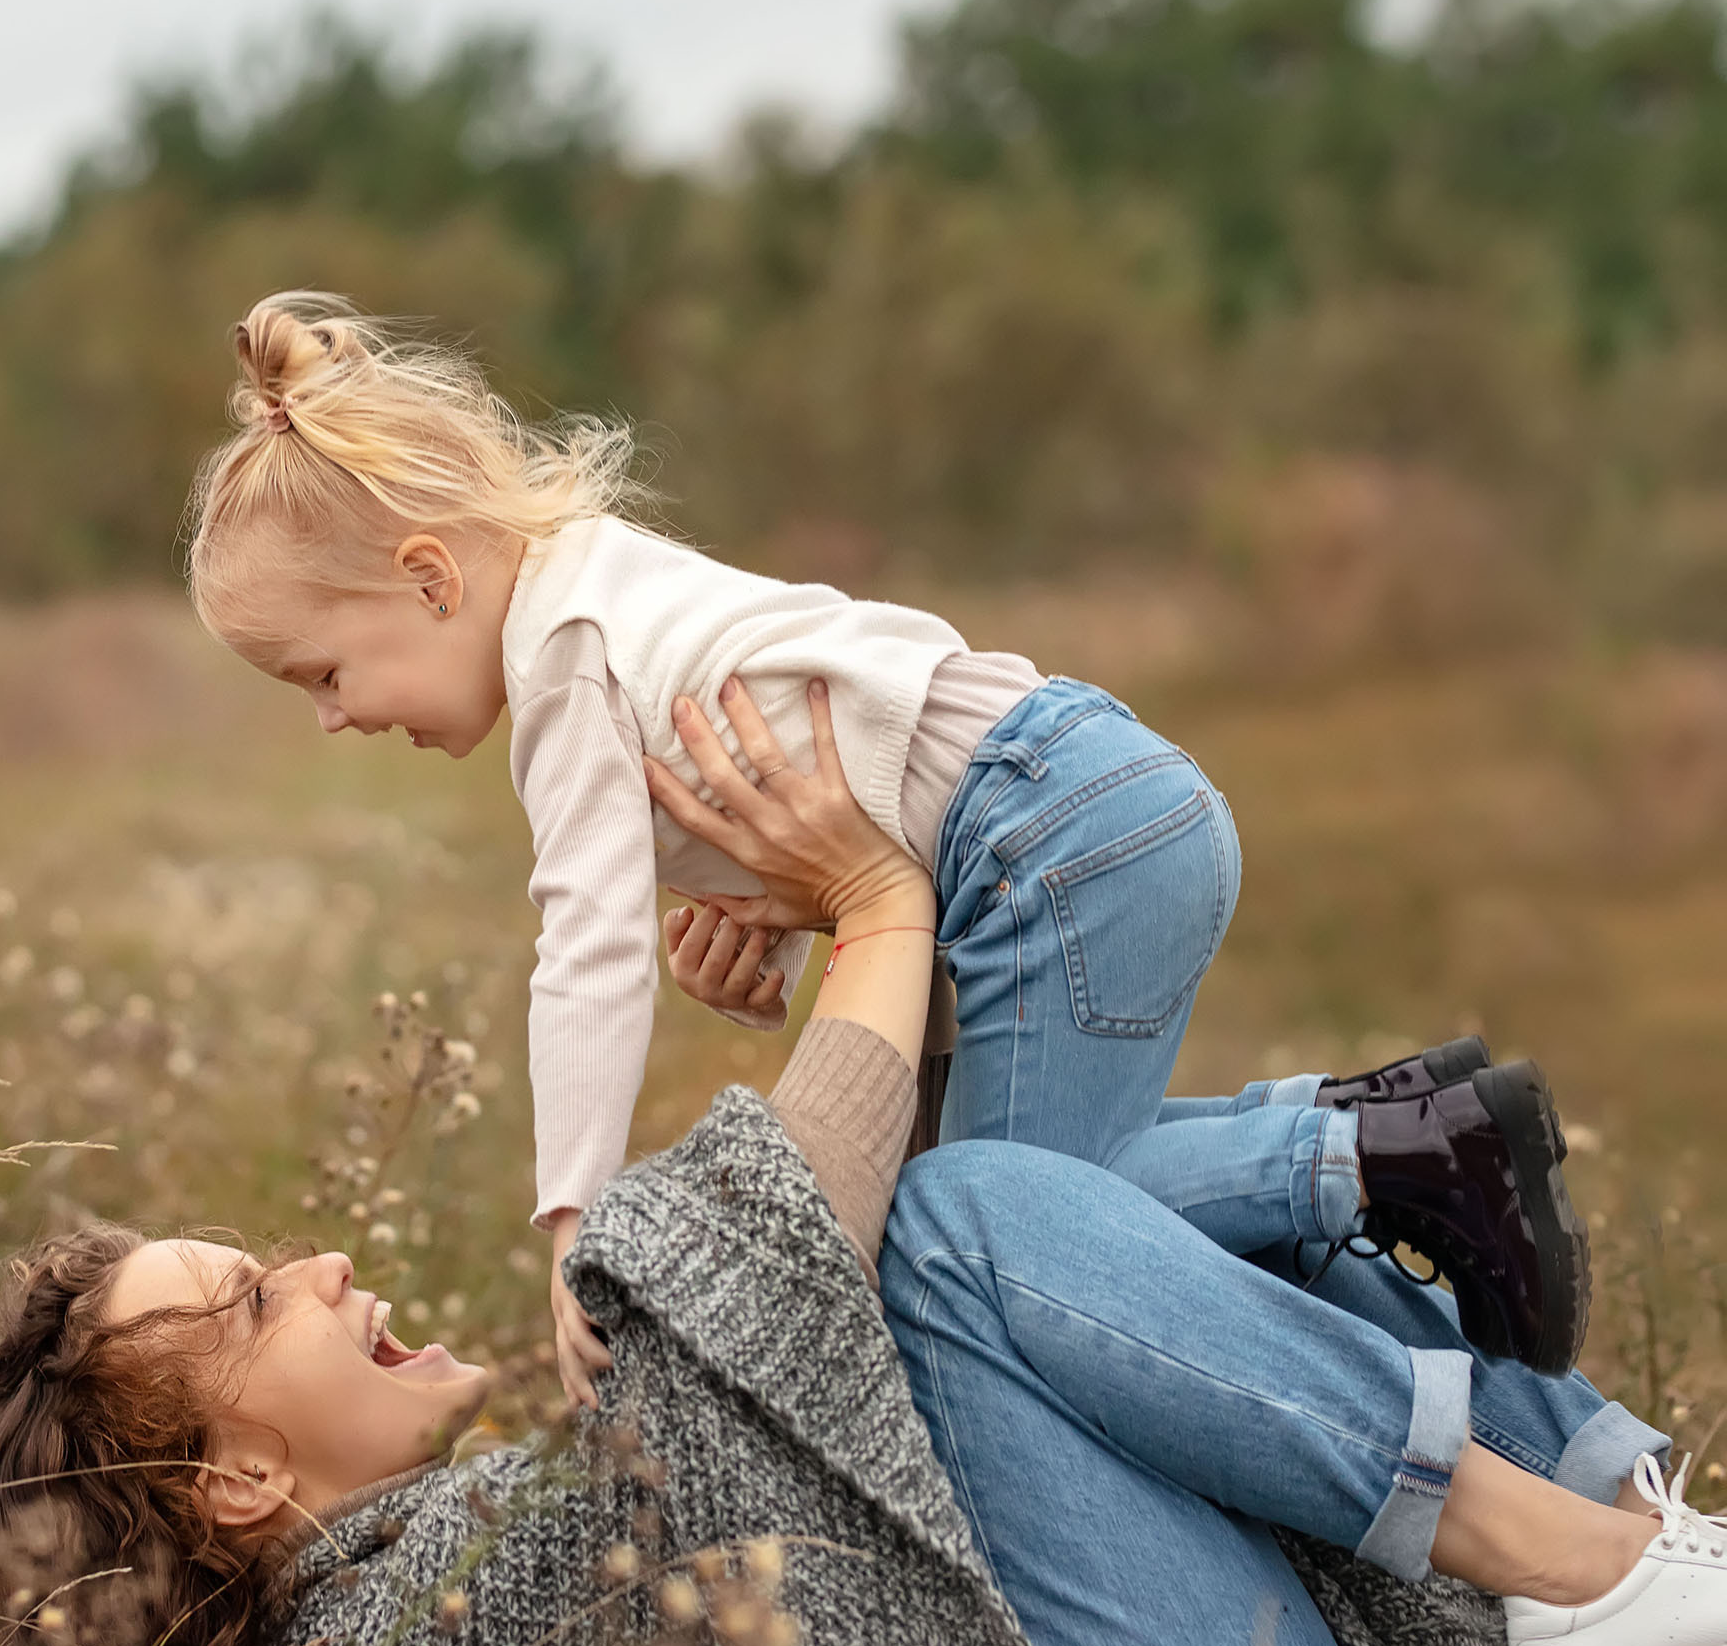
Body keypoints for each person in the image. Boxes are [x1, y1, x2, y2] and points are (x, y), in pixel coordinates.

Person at [0, 684, 1726, 1646]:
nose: (326, 1265)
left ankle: (1641, 1582)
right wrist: (878, 906)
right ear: (235, 1484)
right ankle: (1595, 1562)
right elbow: (761, 1272)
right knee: (957, 1228)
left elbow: (823, 1316)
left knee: (1032, 1222)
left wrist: (857, 958)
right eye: (255, 1301)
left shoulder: (443, 1588)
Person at [182, 293, 1588, 1408]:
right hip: (1079, 789)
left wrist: (576, 1222)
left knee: (991, 1239)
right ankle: (1394, 1135)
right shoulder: (603, 573)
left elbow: (589, 952)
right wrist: (774, 929)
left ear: (430, 579)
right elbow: (837, 744)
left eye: (324, 675)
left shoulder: (560, 662)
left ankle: (1386, 1161)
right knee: (997, 1208)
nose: (332, 720)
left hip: (1043, 841)